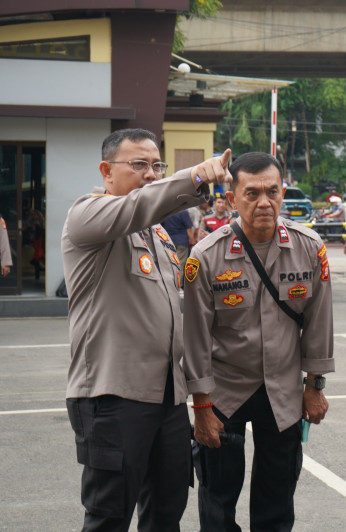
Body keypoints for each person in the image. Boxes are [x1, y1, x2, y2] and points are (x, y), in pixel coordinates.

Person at [61, 127, 231, 530]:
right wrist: (193, 177)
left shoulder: (155, 233)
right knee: (109, 516)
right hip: (112, 396)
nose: (152, 174)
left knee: (166, 512)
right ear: (107, 170)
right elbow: (139, 204)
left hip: (167, 397)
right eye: (139, 165)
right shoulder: (88, 216)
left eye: (158, 165)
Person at [183, 151, 334, 530]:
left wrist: (314, 386)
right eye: (251, 193)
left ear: (283, 193)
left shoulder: (309, 247)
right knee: (217, 502)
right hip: (223, 392)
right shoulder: (206, 255)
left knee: (276, 502)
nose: (264, 202)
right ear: (231, 196)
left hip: (281, 391)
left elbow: (318, 322)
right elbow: (195, 337)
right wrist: (201, 407)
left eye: (272, 191)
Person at [161, 209, 195, 278]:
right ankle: (178, 285)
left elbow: (161, 227)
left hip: (168, 242)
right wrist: (192, 242)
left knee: (169, 264)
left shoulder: (166, 212)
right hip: (182, 242)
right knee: (180, 265)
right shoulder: (183, 212)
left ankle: (170, 284)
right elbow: (189, 229)